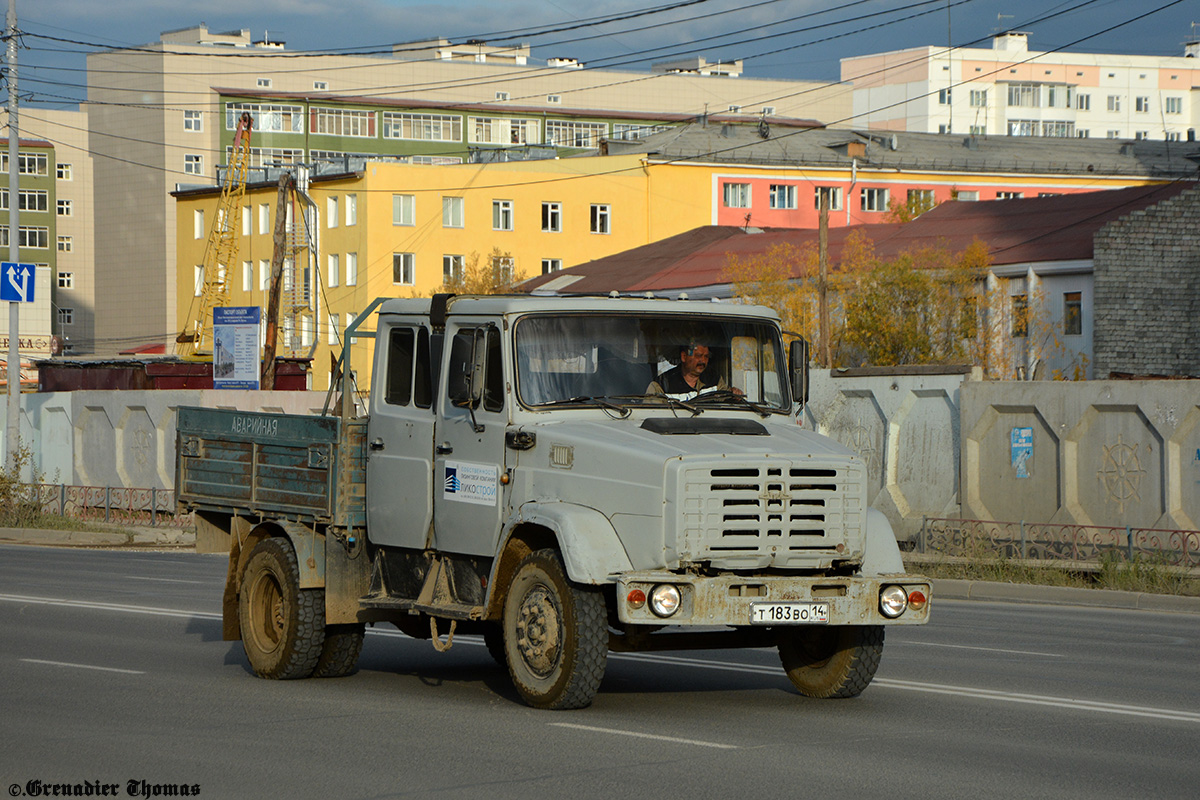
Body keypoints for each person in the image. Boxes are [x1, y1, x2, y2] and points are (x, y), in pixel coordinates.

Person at [646, 342, 738, 397]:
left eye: (706, 356)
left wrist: (734, 393)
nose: (702, 360)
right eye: (698, 356)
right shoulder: (662, 385)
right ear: (684, 357)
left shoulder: (714, 380)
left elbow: (727, 397)